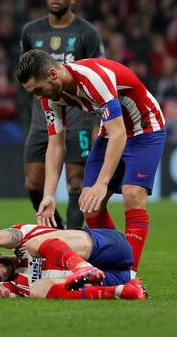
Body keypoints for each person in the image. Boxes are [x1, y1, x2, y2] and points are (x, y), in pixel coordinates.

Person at [16, 49, 166, 277]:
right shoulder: (49, 98)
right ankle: (111, 264)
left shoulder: (93, 78)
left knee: (132, 195)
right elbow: (56, 145)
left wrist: (102, 183)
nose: (38, 96)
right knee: (91, 206)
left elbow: (120, 136)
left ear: (53, 75)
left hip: (144, 127)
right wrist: (49, 194)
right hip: (112, 132)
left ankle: (128, 274)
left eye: (38, 89)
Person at [19, 0, 103, 230]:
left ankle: (74, 240)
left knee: (76, 183)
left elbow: (97, 74)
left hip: (78, 117)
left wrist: (97, 123)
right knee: (33, 183)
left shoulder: (86, 33)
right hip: (42, 117)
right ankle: (58, 230)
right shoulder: (31, 31)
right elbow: (25, 73)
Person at [0, 223, 146, 300]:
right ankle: (121, 292)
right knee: (36, 290)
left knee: (34, 245)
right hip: (112, 278)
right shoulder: (15, 287)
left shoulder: (21, 238)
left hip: (105, 248)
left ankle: (81, 267)